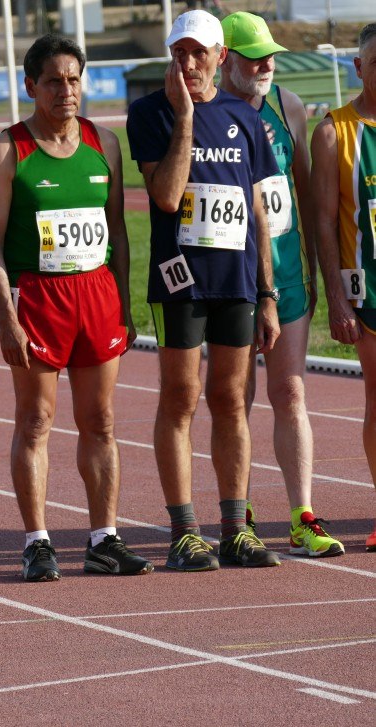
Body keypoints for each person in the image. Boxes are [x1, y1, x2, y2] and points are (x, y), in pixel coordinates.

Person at [0, 34, 153, 581]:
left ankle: (105, 538)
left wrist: (123, 303)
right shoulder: (8, 150)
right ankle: (37, 541)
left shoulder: (104, 143)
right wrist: (7, 317)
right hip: (40, 298)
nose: (65, 90)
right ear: (30, 86)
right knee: (35, 420)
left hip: (96, 294)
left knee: (100, 419)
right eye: (53, 81)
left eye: (74, 79)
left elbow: (118, 232)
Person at [126, 10, 282, 571]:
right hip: (180, 280)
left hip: (236, 282)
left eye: (198, 54)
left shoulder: (244, 116)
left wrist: (267, 292)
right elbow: (166, 197)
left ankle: (235, 529)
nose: (187, 64)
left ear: (220, 57)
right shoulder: (149, 114)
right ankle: (184, 531)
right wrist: (187, 117)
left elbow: (257, 208)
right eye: (178, 54)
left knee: (231, 401)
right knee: (180, 398)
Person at [218, 12, 345, 558]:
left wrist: (314, 268)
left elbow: (305, 194)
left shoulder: (287, 107)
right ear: (226, 59)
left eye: (270, 54)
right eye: (253, 56)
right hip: (232, 280)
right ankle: (238, 512)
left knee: (290, 391)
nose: (265, 64)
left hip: (287, 276)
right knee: (235, 399)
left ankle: (301, 514)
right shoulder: (205, 114)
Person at [312, 23, 376, 553]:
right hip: (370, 290)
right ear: (358, 67)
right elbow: (325, 224)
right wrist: (337, 298)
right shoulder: (335, 132)